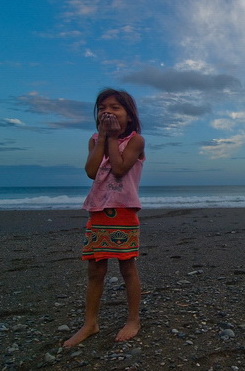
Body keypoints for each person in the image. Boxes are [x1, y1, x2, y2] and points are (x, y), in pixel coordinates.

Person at [64, 88, 145, 348]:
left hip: (124, 211)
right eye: (102, 108)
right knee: (95, 269)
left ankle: (133, 320)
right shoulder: (94, 139)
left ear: (129, 116)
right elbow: (91, 171)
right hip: (98, 211)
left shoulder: (136, 140)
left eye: (115, 107)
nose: (107, 111)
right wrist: (102, 138)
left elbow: (120, 168)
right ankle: (90, 323)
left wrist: (111, 137)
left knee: (127, 268)